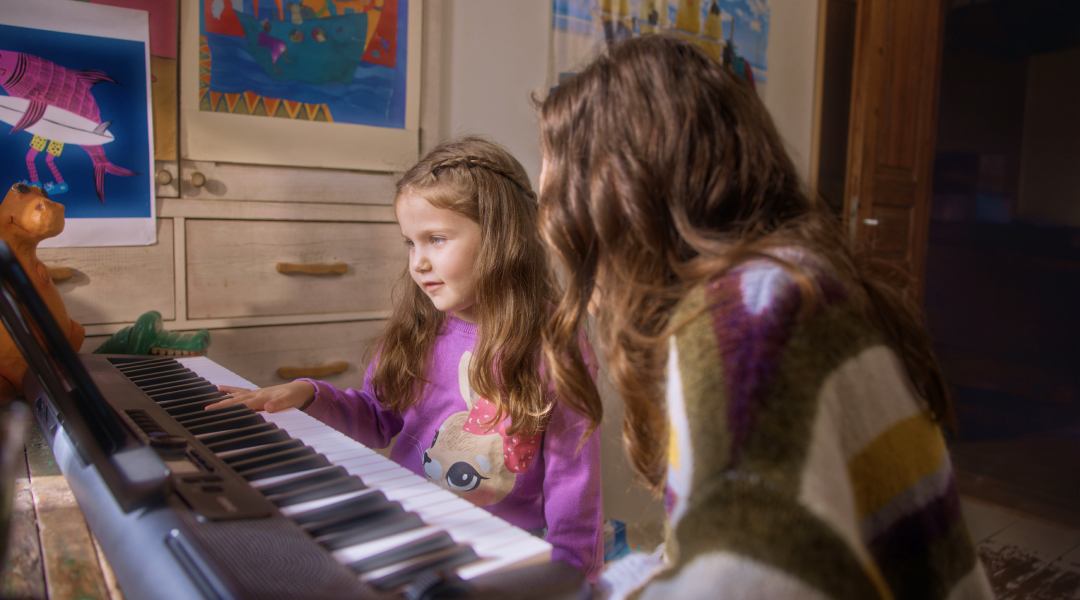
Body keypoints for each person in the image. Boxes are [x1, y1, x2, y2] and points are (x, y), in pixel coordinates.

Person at [536, 34, 994, 599]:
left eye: (557, 194)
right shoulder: (786, 282)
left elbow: (744, 586)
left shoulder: (752, 318)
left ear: (618, 199)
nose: (548, 211)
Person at [207, 136, 605, 582]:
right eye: (410, 244)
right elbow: (377, 418)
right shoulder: (419, 330)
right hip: (404, 529)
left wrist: (574, 579)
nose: (418, 263)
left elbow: (574, 482)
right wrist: (307, 394)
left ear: (502, 237)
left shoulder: (555, 345)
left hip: (495, 555)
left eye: (435, 239)